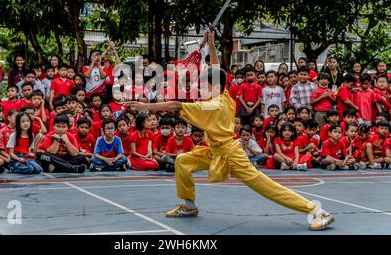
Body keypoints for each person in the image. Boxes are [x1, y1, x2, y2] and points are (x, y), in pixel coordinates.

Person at [128, 30, 334, 230]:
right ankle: (189, 205)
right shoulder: (224, 95)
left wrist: (145, 107)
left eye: (204, 85)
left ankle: (316, 210)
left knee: (265, 186)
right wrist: (211, 42)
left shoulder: (211, 105)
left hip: (231, 153)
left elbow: (174, 105)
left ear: (214, 86)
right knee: (182, 161)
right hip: (212, 150)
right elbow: (217, 66)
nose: (201, 88)